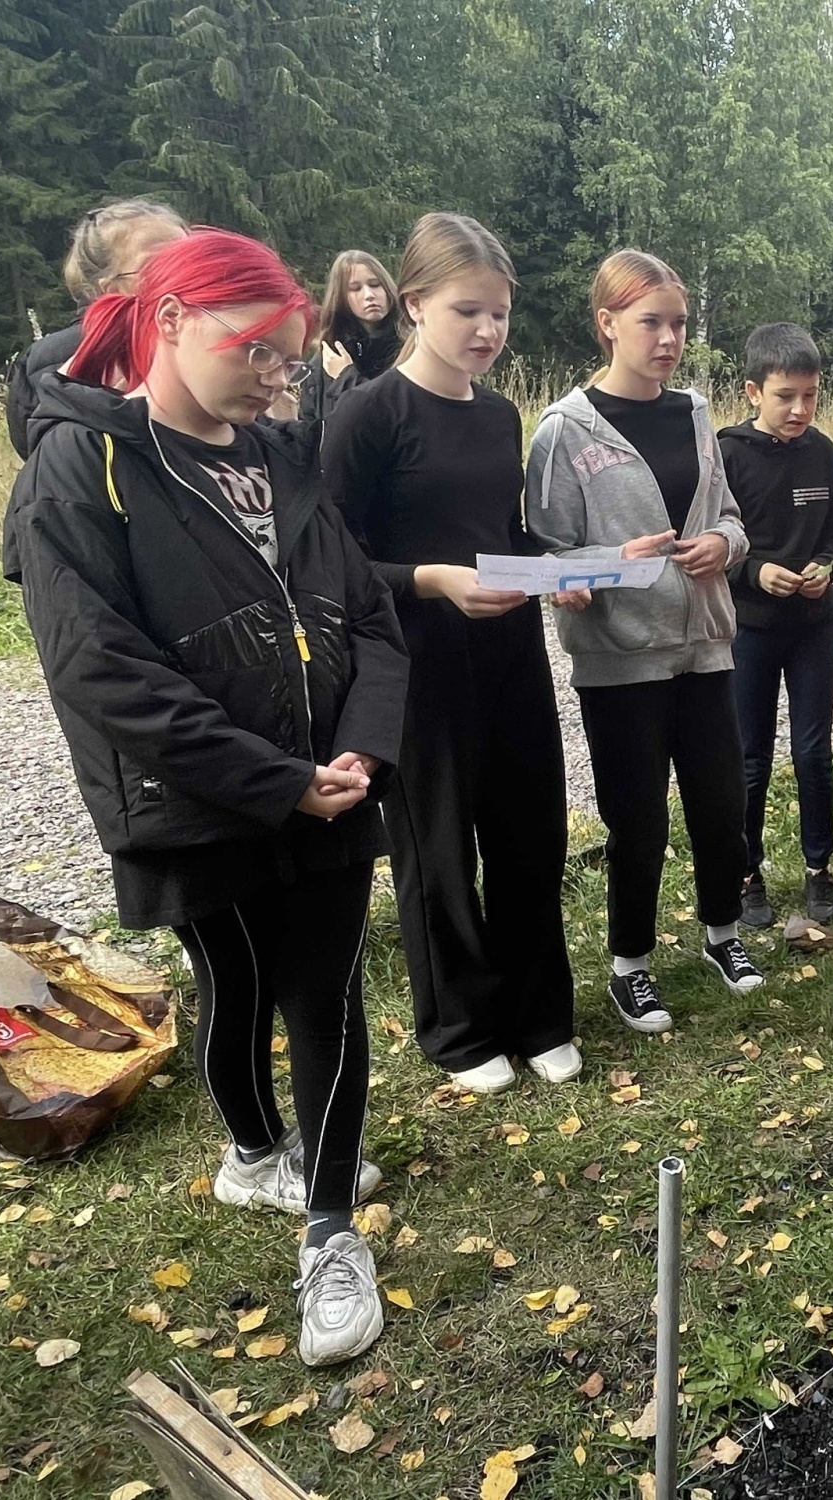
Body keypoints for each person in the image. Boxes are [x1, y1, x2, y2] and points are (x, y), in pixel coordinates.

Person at [2, 229, 408, 1368]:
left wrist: (360, 755)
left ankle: (328, 1230)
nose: (280, 379)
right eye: (257, 352)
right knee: (237, 983)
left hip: (331, 786)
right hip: (198, 803)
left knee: (325, 996)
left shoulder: (285, 458)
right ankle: (250, 1151)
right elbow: (98, 668)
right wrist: (277, 785)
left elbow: (367, 615)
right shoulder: (81, 471)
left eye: (291, 357)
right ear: (169, 321)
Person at [322, 213, 577, 1094]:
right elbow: (335, 563)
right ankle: (462, 1027)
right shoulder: (368, 412)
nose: (488, 332)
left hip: (507, 646)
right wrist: (432, 579)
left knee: (530, 830)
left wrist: (564, 572)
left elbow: (501, 534)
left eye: (500, 315)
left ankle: (540, 1012)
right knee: (436, 845)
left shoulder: (502, 413)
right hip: (415, 658)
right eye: (469, 311)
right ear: (415, 303)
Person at [526, 250, 762, 1036]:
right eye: (650, 322)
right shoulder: (564, 430)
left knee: (720, 803)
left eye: (678, 324)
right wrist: (601, 569)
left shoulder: (694, 411)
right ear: (607, 325)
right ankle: (630, 966)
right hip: (620, 659)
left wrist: (723, 549)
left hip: (705, 646)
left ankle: (722, 935)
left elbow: (730, 518)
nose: (668, 339)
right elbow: (543, 553)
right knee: (639, 821)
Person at [720, 323, 833, 932]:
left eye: (810, 395)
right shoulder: (727, 454)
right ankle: (747, 874)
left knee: (812, 751)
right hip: (748, 628)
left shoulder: (823, 452)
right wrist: (754, 571)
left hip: (810, 627)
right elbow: (713, 546)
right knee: (749, 758)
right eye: (785, 396)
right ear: (753, 392)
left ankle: (818, 869)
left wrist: (825, 568)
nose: (799, 409)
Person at [6, 199, 188, 458]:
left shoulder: (213, 337)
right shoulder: (56, 359)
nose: (183, 275)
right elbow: (45, 457)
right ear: (110, 288)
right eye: (156, 267)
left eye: (189, 260)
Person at [298, 250, 403, 423]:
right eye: (355, 288)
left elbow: (394, 419)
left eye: (375, 284)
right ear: (341, 298)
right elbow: (311, 432)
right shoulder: (325, 360)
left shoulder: (412, 347)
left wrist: (345, 378)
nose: (369, 295)